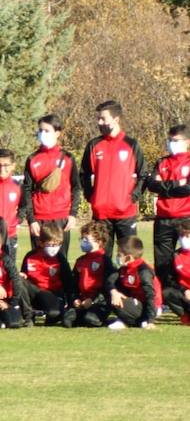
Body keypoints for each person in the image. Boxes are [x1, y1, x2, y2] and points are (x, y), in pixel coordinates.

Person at [80, 100, 145, 247]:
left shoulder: (131, 144)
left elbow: (143, 174)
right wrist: (91, 196)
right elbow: (83, 174)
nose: (99, 122)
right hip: (101, 215)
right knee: (102, 261)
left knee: (128, 258)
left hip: (125, 215)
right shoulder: (94, 145)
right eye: (98, 119)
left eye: (103, 119)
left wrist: (133, 197)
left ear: (116, 120)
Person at [21, 114, 81, 255]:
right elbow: (27, 190)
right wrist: (31, 219)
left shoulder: (68, 158)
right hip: (39, 219)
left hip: (61, 218)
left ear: (57, 133)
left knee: (61, 263)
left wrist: (72, 214)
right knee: (37, 262)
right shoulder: (32, 159)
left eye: (47, 131)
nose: (42, 134)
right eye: (40, 130)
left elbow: (76, 187)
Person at [142, 124, 190, 288]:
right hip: (163, 218)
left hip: (186, 218)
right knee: (163, 261)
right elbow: (152, 185)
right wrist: (178, 184)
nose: (171, 143)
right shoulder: (162, 162)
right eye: (169, 140)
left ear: (187, 141)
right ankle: (167, 295)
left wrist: (165, 186)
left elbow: (188, 188)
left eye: (175, 140)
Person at [20, 222, 74, 327]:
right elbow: (24, 277)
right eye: (51, 245)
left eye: (58, 244)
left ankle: (45, 312)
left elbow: (68, 283)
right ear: (41, 243)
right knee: (18, 280)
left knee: (54, 313)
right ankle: (28, 316)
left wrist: (70, 304)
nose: (55, 248)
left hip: (51, 294)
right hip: (33, 292)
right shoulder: (30, 256)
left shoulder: (60, 259)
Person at [106, 236, 159, 330]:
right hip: (135, 301)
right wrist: (114, 292)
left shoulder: (143, 272)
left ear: (128, 257)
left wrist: (150, 320)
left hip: (149, 306)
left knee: (118, 302)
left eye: (119, 255)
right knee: (111, 293)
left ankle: (139, 320)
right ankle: (128, 319)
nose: (117, 257)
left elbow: (151, 296)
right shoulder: (124, 268)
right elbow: (110, 281)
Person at [70, 221, 114, 328]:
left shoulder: (105, 261)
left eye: (87, 240)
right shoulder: (80, 261)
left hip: (99, 302)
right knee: (67, 320)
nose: (83, 242)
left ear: (99, 241)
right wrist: (75, 298)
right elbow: (73, 283)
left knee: (90, 320)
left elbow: (108, 285)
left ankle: (108, 320)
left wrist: (94, 300)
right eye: (82, 239)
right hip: (82, 301)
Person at [0, 150, 23, 253]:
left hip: (10, 235)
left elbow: (24, 206)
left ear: (13, 166)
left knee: (9, 267)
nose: (2, 169)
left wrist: (18, 219)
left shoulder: (18, 186)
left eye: (6, 165)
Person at [160, 219, 190, 323]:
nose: (185, 239)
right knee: (167, 293)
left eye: (188, 236)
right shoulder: (175, 256)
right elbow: (171, 280)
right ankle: (186, 316)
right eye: (182, 236)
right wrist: (184, 290)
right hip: (185, 293)